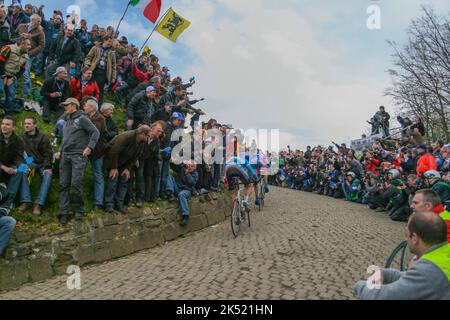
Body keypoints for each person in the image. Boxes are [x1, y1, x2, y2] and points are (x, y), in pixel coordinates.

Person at [354, 211, 450, 300]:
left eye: (406, 234)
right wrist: (383, 273)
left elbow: (381, 296)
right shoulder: (442, 255)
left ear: (414, 238)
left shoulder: (429, 268)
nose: (405, 239)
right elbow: (410, 278)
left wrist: (360, 285)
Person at [56, 98, 99, 225]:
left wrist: (89, 147)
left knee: (76, 184)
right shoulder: (66, 120)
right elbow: (65, 139)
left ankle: (79, 210)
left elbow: (95, 132)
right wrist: (60, 150)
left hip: (78, 156)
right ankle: (63, 212)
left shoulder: (82, 118)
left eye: (66, 105)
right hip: (65, 155)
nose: (65, 107)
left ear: (73, 106)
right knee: (63, 184)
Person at [104, 125, 150, 213]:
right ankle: (109, 204)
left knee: (124, 181)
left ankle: (119, 205)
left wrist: (128, 168)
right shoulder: (127, 136)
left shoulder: (142, 142)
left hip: (125, 162)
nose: (148, 138)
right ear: (142, 134)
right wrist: (114, 167)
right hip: (113, 159)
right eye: (147, 136)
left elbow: (136, 156)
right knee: (113, 180)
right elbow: (114, 151)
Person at [18, 117, 53, 216]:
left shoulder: (43, 137)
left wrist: (47, 167)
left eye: (29, 123)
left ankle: (38, 203)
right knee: (20, 170)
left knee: (48, 175)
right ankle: (26, 201)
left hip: (42, 163)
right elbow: (19, 154)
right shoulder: (21, 137)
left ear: (35, 125)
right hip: (30, 161)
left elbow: (48, 153)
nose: (26, 125)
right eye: (25, 124)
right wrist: (23, 164)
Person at [82, 98, 107, 211]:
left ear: (92, 107)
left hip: (97, 151)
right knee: (80, 174)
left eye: (86, 105)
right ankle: (81, 202)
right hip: (84, 150)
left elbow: (93, 132)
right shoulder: (85, 116)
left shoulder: (100, 118)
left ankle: (98, 202)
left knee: (98, 175)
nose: (84, 107)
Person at [17, 13, 45, 101]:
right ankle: (12, 90)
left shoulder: (40, 32)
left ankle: (25, 95)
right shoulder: (22, 26)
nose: (40, 23)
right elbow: (14, 35)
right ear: (32, 20)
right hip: (17, 52)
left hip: (28, 55)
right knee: (13, 71)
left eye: (40, 21)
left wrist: (30, 54)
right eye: (38, 21)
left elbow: (42, 46)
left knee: (25, 74)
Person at [0, 37, 31, 116]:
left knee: (10, 96)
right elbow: (0, 62)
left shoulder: (26, 56)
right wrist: (3, 76)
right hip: (1, 74)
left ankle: (8, 115)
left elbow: (22, 70)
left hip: (12, 76)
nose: (30, 47)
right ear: (22, 44)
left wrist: (13, 78)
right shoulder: (8, 49)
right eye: (28, 44)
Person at [0, 116, 24, 210]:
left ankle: (7, 204)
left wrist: (15, 167)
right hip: (1, 166)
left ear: (13, 127)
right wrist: (3, 167)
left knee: (20, 171)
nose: (4, 126)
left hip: (10, 166)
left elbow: (19, 157)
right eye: (3, 123)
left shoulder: (18, 140)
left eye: (7, 124)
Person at [84, 35, 116, 103]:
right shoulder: (95, 48)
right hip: (94, 70)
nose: (110, 43)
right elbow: (88, 57)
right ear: (104, 40)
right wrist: (88, 65)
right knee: (89, 87)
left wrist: (113, 77)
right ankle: (85, 102)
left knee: (99, 90)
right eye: (109, 41)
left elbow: (114, 66)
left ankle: (97, 105)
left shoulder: (112, 53)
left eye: (111, 42)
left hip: (103, 73)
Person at [166, 160, 199, 226]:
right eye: (189, 165)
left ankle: (185, 216)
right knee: (170, 177)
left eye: (192, 166)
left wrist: (187, 174)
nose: (190, 167)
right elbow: (174, 167)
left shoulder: (195, 174)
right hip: (178, 188)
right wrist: (172, 162)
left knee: (181, 195)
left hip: (187, 190)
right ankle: (170, 194)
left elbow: (191, 183)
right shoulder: (183, 168)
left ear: (195, 168)